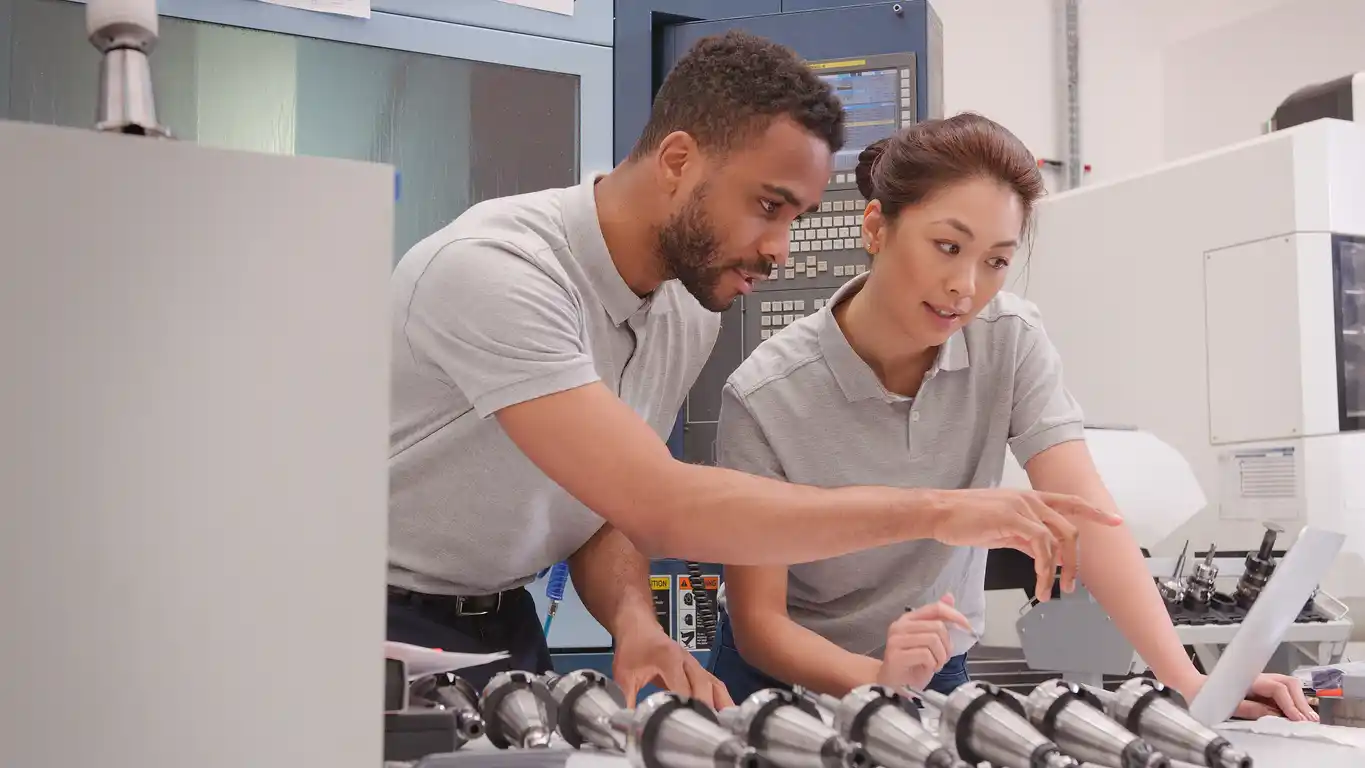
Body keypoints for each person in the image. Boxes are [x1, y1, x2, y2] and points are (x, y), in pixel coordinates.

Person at [385, 31, 1119, 706]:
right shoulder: (498, 273)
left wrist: (635, 623)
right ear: (678, 161)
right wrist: (937, 510)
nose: (779, 251)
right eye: (767, 207)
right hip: (372, 613)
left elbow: (599, 509)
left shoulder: (684, 308)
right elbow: (662, 505)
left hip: (502, 624)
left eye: (794, 217)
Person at [706, 113, 1319, 722]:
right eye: (947, 247)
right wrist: (878, 679)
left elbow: (1087, 514)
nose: (964, 288)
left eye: (996, 262)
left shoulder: (1009, 339)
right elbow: (761, 624)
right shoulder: (766, 394)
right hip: (780, 685)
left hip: (932, 670)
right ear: (876, 228)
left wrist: (1187, 679)